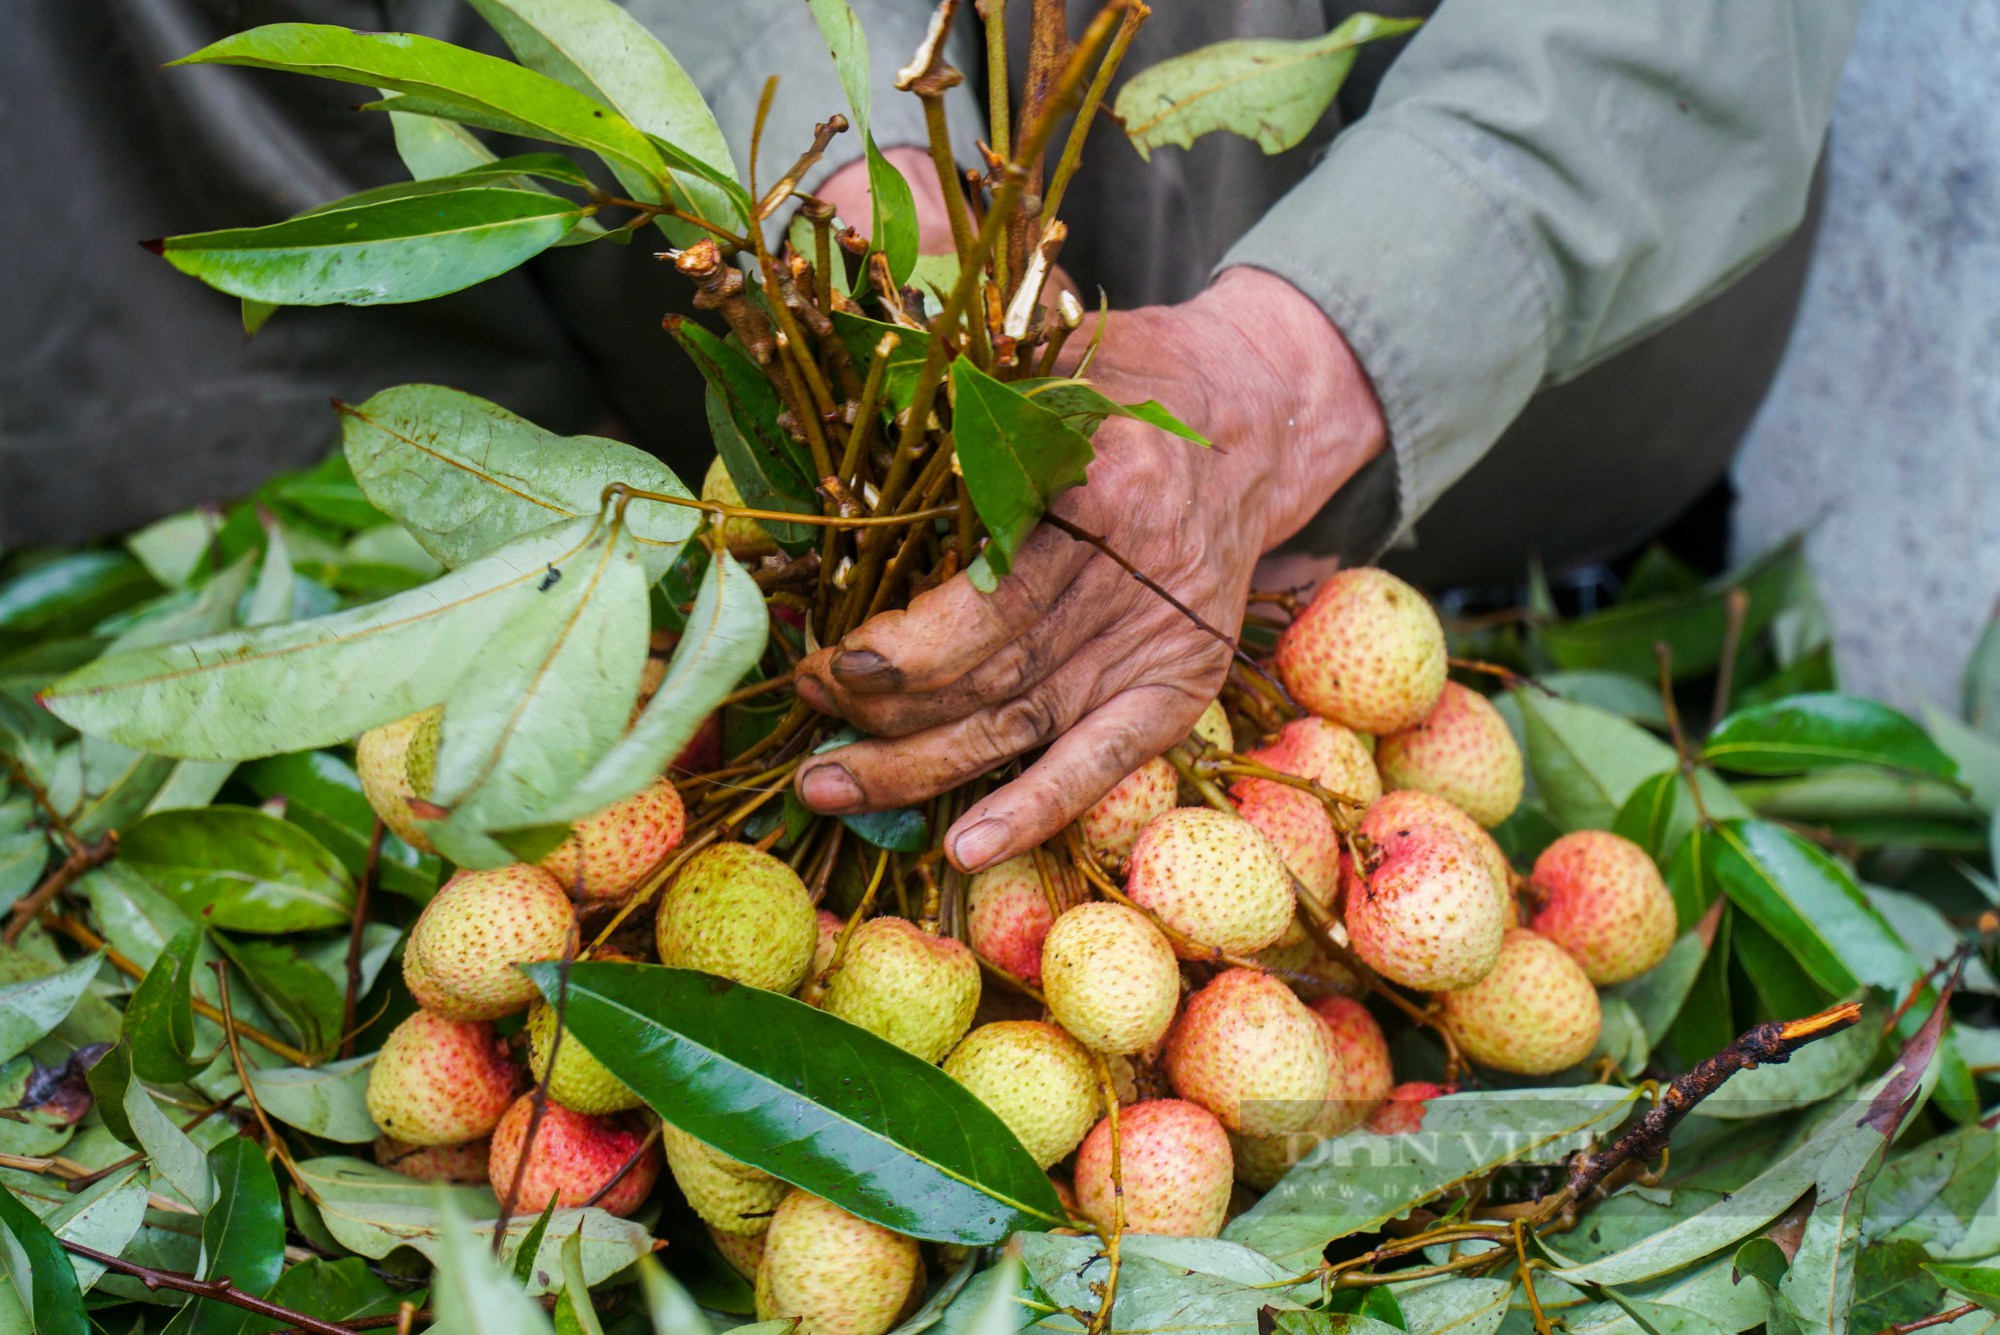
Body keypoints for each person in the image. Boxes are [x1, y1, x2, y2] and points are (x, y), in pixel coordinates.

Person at [3, 1, 1861, 873]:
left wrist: (1303, 370)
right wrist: (833, 162)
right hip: (743, 284)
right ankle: (236, 549)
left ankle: (1399, 524)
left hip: (1440, 258)